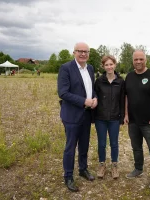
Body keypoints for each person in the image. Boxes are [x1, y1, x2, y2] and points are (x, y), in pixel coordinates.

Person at [57, 42, 98, 192]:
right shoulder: (66, 68)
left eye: (86, 51)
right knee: (70, 147)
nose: (83, 54)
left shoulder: (90, 68)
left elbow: (91, 88)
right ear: (74, 52)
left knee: (84, 144)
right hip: (72, 115)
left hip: (87, 114)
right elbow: (63, 92)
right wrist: (83, 101)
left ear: (88, 54)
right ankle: (68, 176)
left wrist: (95, 98)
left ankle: (83, 169)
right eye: (80, 51)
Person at [124, 50, 150, 189]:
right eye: (136, 59)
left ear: (146, 60)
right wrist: (126, 114)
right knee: (136, 148)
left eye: (141, 59)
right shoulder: (129, 76)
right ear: (133, 61)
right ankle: (138, 168)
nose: (138, 62)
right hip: (133, 121)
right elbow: (126, 96)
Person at [94, 55, 125, 179]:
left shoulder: (120, 81)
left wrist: (122, 116)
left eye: (111, 64)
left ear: (115, 65)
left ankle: (114, 165)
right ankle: (102, 165)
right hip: (100, 118)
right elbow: (95, 98)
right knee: (102, 143)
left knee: (114, 143)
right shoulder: (99, 81)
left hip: (114, 118)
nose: (109, 67)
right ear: (103, 66)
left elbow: (122, 100)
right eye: (106, 65)